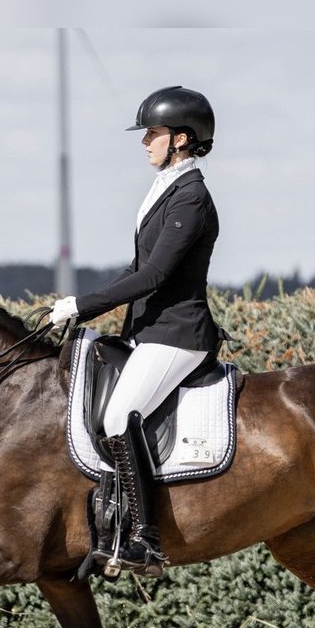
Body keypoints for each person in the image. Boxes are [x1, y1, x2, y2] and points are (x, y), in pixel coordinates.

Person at [49, 85, 222, 578]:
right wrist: (81, 308)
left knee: (120, 416)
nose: (145, 141)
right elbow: (136, 267)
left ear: (182, 139)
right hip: (149, 331)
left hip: (178, 334)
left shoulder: (191, 197)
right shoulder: (166, 188)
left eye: (154, 132)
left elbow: (155, 277)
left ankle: (145, 543)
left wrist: (81, 305)